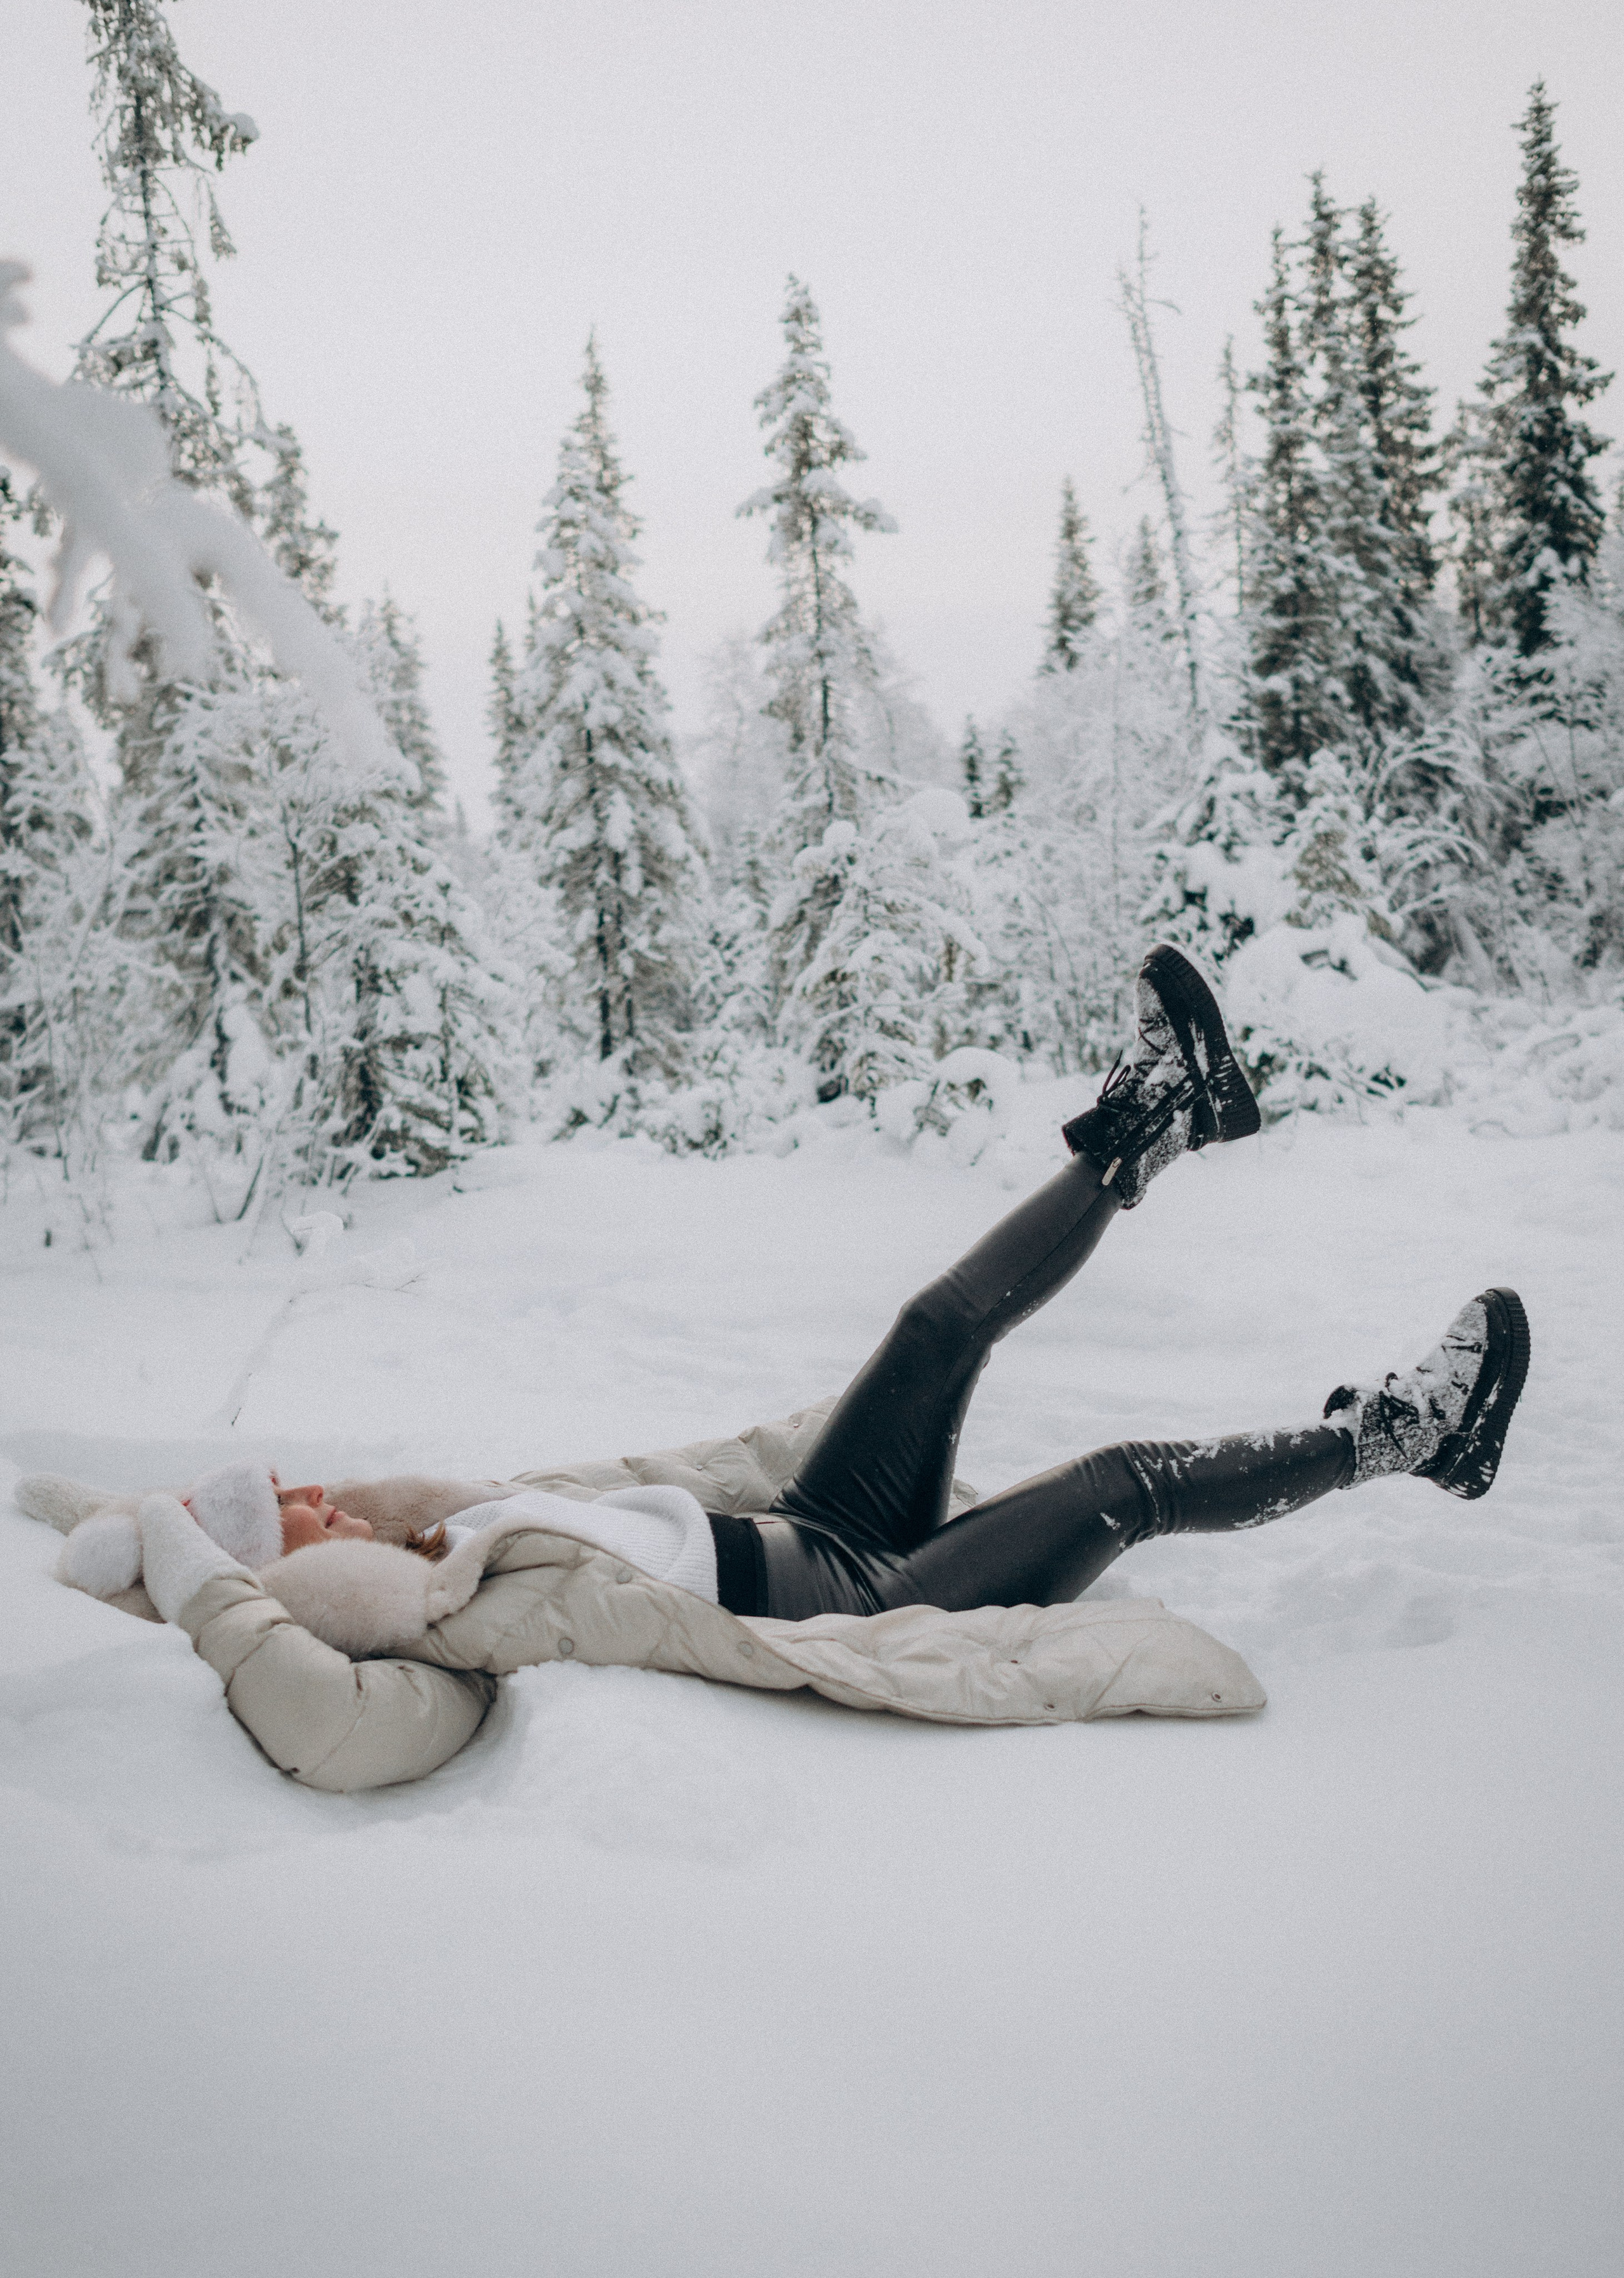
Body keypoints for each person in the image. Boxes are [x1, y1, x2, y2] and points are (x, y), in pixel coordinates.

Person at [251, 943, 1529, 1621]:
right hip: (862, 1599)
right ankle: (1400, 1440)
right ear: (281, 1569)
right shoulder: (391, 1608)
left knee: (934, 1327)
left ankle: (1161, 1118)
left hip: (811, 1529)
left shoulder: (431, 1538)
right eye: (286, 1509)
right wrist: (194, 1554)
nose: (313, 1491)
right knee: (1116, 1483)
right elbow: (286, 1640)